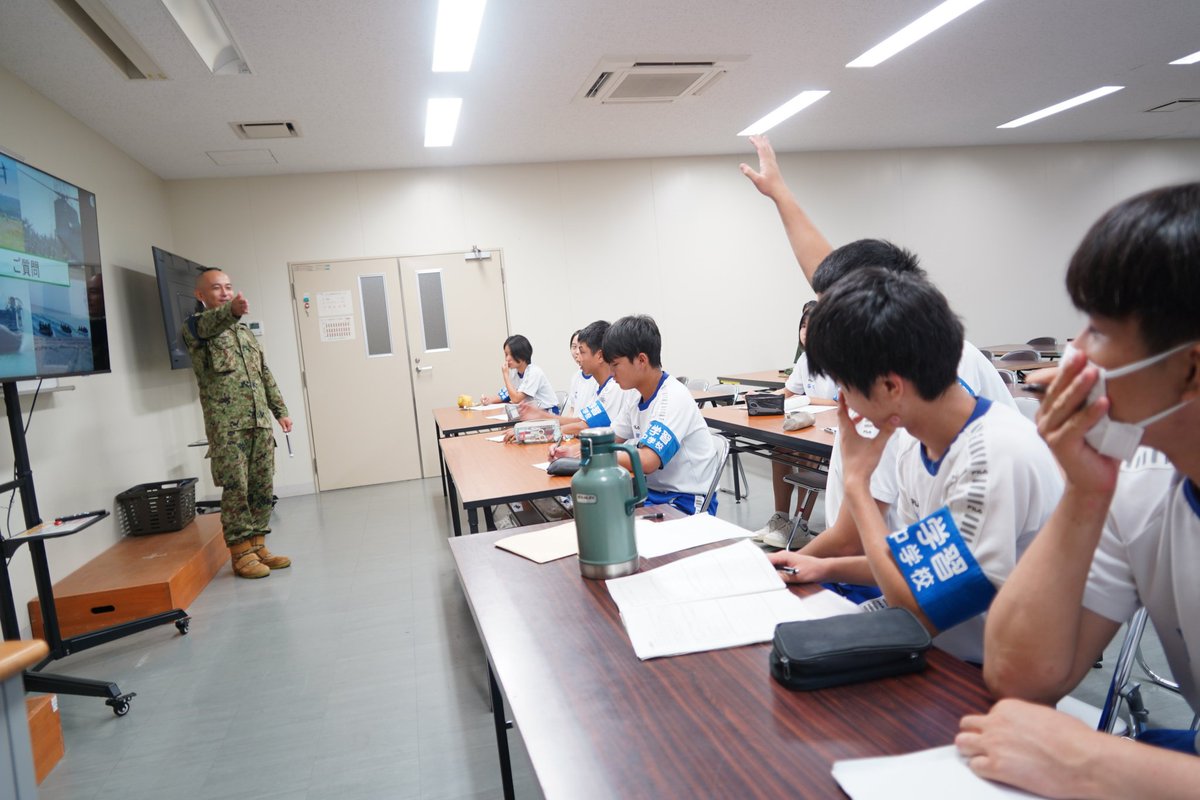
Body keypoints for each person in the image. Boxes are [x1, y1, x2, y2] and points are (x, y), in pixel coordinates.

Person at [955, 183, 1200, 798]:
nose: (1069, 358)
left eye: (1096, 331)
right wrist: (1085, 496)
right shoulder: (1139, 485)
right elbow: (1019, 677)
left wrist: (1094, 762)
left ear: (1192, 368)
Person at [769, 269, 1062, 663]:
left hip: (982, 671)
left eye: (845, 388)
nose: (844, 404)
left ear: (891, 387)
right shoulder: (916, 442)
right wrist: (822, 567)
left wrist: (856, 484)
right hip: (935, 648)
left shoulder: (994, 457)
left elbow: (920, 611)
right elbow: (915, 566)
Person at [740, 135, 1015, 555]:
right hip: (883, 562)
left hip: (910, 569)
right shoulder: (893, 349)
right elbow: (823, 274)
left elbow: (870, 543)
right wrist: (780, 195)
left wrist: (788, 567)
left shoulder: (924, 378)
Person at [550, 315, 722, 515]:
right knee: (589, 516)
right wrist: (576, 451)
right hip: (651, 493)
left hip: (684, 500)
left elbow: (648, 461)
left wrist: (595, 454)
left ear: (641, 360)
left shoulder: (672, 397)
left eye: (615, 365)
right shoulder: (635, 396)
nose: (612, 373)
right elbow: (612, 436)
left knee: (604, 524)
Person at [182, 268, 292, 579]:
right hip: (227, 428)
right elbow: (210, 323)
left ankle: (258, 545)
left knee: (261, 485)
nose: (225, 292)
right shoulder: (196, 328)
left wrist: (279, 409)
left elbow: (264, 373)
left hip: (258, 422)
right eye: (216, 288)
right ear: (200, 295)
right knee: (236, 490)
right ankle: (240, 553)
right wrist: (230, 312)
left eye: (228, 287)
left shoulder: (243, 334)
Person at [755, 299, 838, 547]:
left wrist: (809, 399)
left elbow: (842, 401)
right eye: (803, 326)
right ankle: (781, 518)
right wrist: (764, 398)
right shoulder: (805, 361)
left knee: (806, 452)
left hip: (833, 429)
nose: (806, 331)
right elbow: (789, 391)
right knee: (779, 449)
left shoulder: (840, 359)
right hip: (811, 423)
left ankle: (801, 524)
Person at [480, 334, 559, 412]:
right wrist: (489, 400)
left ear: (522, 355)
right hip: (532, 413)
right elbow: (506, 394)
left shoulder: (534, 372)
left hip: (548, 413)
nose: (507, 359)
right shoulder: (515, 372)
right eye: (506, 354)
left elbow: (516, 399)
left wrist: (506, 376)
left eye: (511, 354)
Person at [561, 330, 594, 418]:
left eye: (580, 348)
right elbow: (572, 410)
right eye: (574, 347)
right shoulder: (576, 376)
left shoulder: (598, 377)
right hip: (576, 428)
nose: (577, 352)